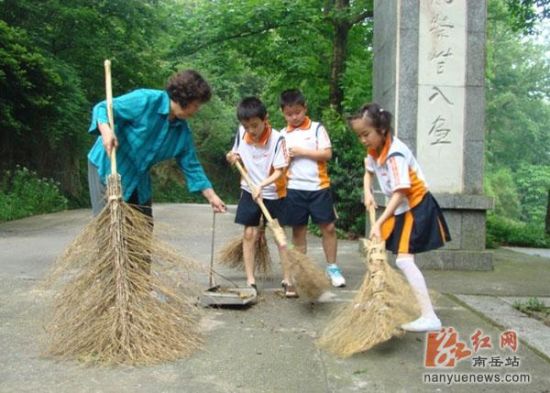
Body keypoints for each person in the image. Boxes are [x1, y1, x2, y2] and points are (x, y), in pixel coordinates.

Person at [349, 102, 451, 332]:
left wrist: (380, 222)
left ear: (382, 130)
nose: (363, 140)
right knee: (376, 253)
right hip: (400, 209)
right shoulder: (375, 150)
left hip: (416, 206)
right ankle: (376, 298)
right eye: (360, 136)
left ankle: (429, 316)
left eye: (366, 134)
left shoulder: (395, 154)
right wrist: (367, 192)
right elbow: (368, 172)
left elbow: (401, 191)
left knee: (404, 260)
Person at [87, 69, 226, 218]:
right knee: (110, 229)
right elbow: (102, 108)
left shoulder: (182, 132)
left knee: (143, 231)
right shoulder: (145, 100)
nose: (197, 110)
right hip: (108, 167)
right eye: (196, 104)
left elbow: (191, 165)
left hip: (139, 179)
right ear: (186, 97)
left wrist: (212, 197)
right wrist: (106, 130)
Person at [226, 97, 295, 296]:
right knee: (249, 234)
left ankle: (288, 279)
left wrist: (262, 185)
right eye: (246, 126)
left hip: (274, 192)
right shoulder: (242, 133)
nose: (251, 131)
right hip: (249, 189)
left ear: (266, 119)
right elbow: (235, 154)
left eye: (255, 125)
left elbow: (280, 171)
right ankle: (250, 281)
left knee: (279, 235)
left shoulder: (278, 139)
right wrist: (232, 157)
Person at [278, 89, 346, 288]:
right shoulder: (282, 135)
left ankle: (332, 267)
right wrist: (287, 159)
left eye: (298, 112)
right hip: (294, 188)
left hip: (319, 187)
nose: (294, 117)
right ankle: (301, 271)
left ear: (305, 108)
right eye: (289, 114)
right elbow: (279, 164)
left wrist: (302, 152)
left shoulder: (317, 129)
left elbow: (327, 154)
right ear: (283, 113)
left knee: (329, 227)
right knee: (299, 232)